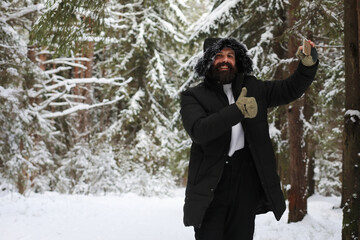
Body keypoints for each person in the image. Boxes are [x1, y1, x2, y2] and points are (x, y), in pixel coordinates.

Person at [180, 37, 318, 240]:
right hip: (211, 183)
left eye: (230, 56)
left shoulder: (254, 88)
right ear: (209, 61)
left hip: (245, 180)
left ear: (238, 60)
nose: (224, 60)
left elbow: (290, 89)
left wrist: (307, 65)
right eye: (218, 56)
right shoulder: (193, 96)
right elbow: (199, 131)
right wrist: (237, 110)